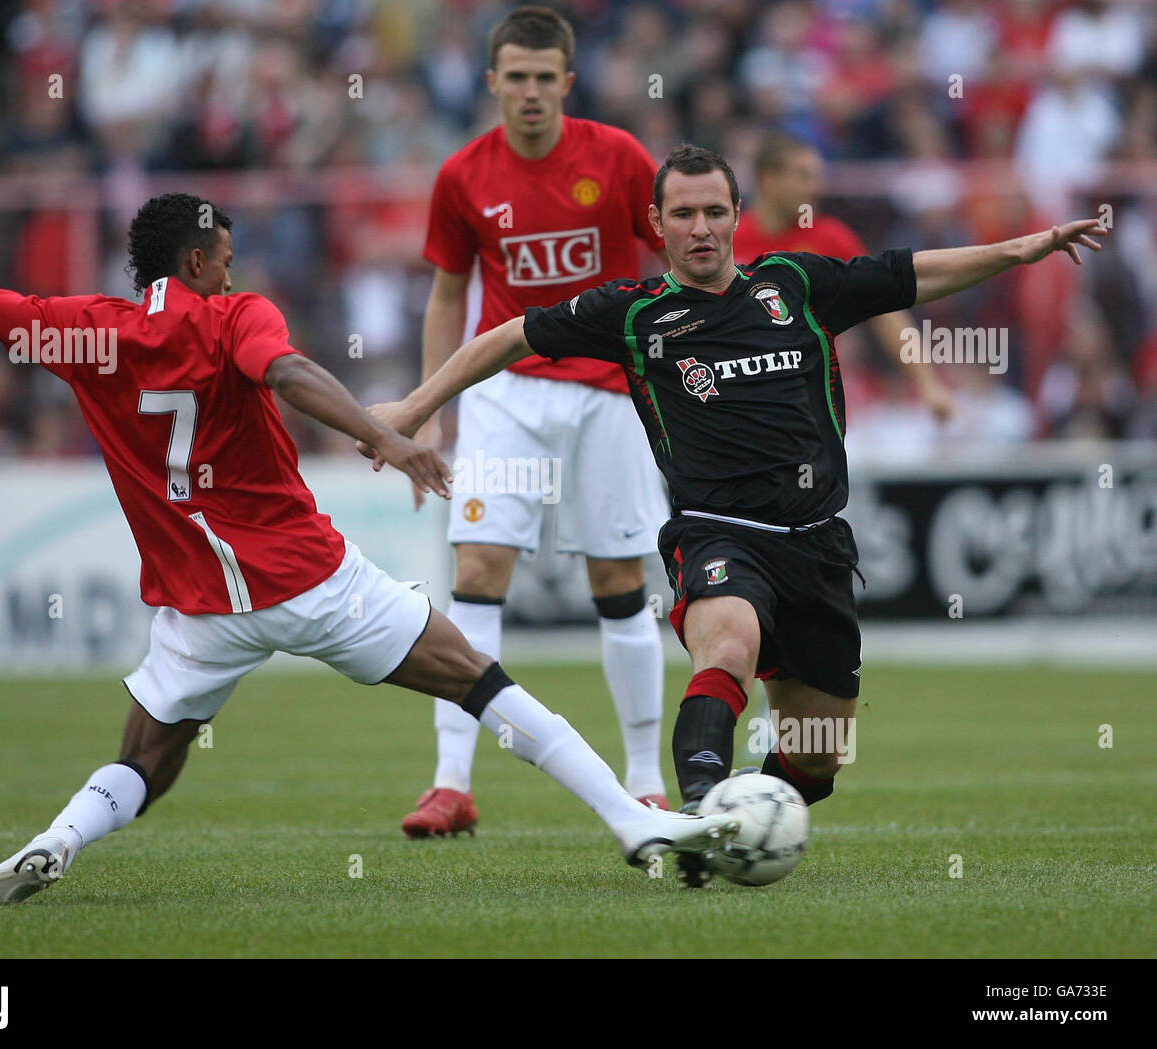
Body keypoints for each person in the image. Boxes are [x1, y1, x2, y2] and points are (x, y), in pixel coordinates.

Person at [0, 183, 737, 903]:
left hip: (200, 607)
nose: (234, 271)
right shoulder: (234, 314)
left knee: (145, 759)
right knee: (479, 678)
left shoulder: (88, 328)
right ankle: (634, 821)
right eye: (227, 259)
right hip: (310, 579)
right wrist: (387, 435)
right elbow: (289, 371)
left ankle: (57, 838)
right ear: (198, 261)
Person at [359, 144, 1106, 887]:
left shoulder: (795, 283)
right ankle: (697, 819)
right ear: (657, 223)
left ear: (737, 216)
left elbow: (912, 273)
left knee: (818, 756)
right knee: (728, 648)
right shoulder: (635, 315)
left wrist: (1022, 247)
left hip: (817, 543)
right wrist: (417, 406)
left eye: (715, 211)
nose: (701, 227)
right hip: (717, 534)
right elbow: (511, 334)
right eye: (682, 214)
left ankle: (753, 799)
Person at [402, 5, 673, 838]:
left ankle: (643, 780)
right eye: (513, 77)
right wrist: (428, 413)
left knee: (620, 582)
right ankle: (451, 782)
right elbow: (449, 294)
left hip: (608, 392)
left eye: (542, 78)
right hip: (504, 392)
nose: (527, 93)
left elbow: (670, 259)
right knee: (478, 571)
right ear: (491, 82)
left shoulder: (619, 159)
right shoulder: (461, 177)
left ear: (568, 83)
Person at [734, 132, 955, 422]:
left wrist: (927, 382)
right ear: (768, 179)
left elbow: (884, 309)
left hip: (809, 400)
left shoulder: (831, 238)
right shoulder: (730, 239)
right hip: (740, 393)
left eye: (816, 177)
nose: (815, 188)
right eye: (804, 176)